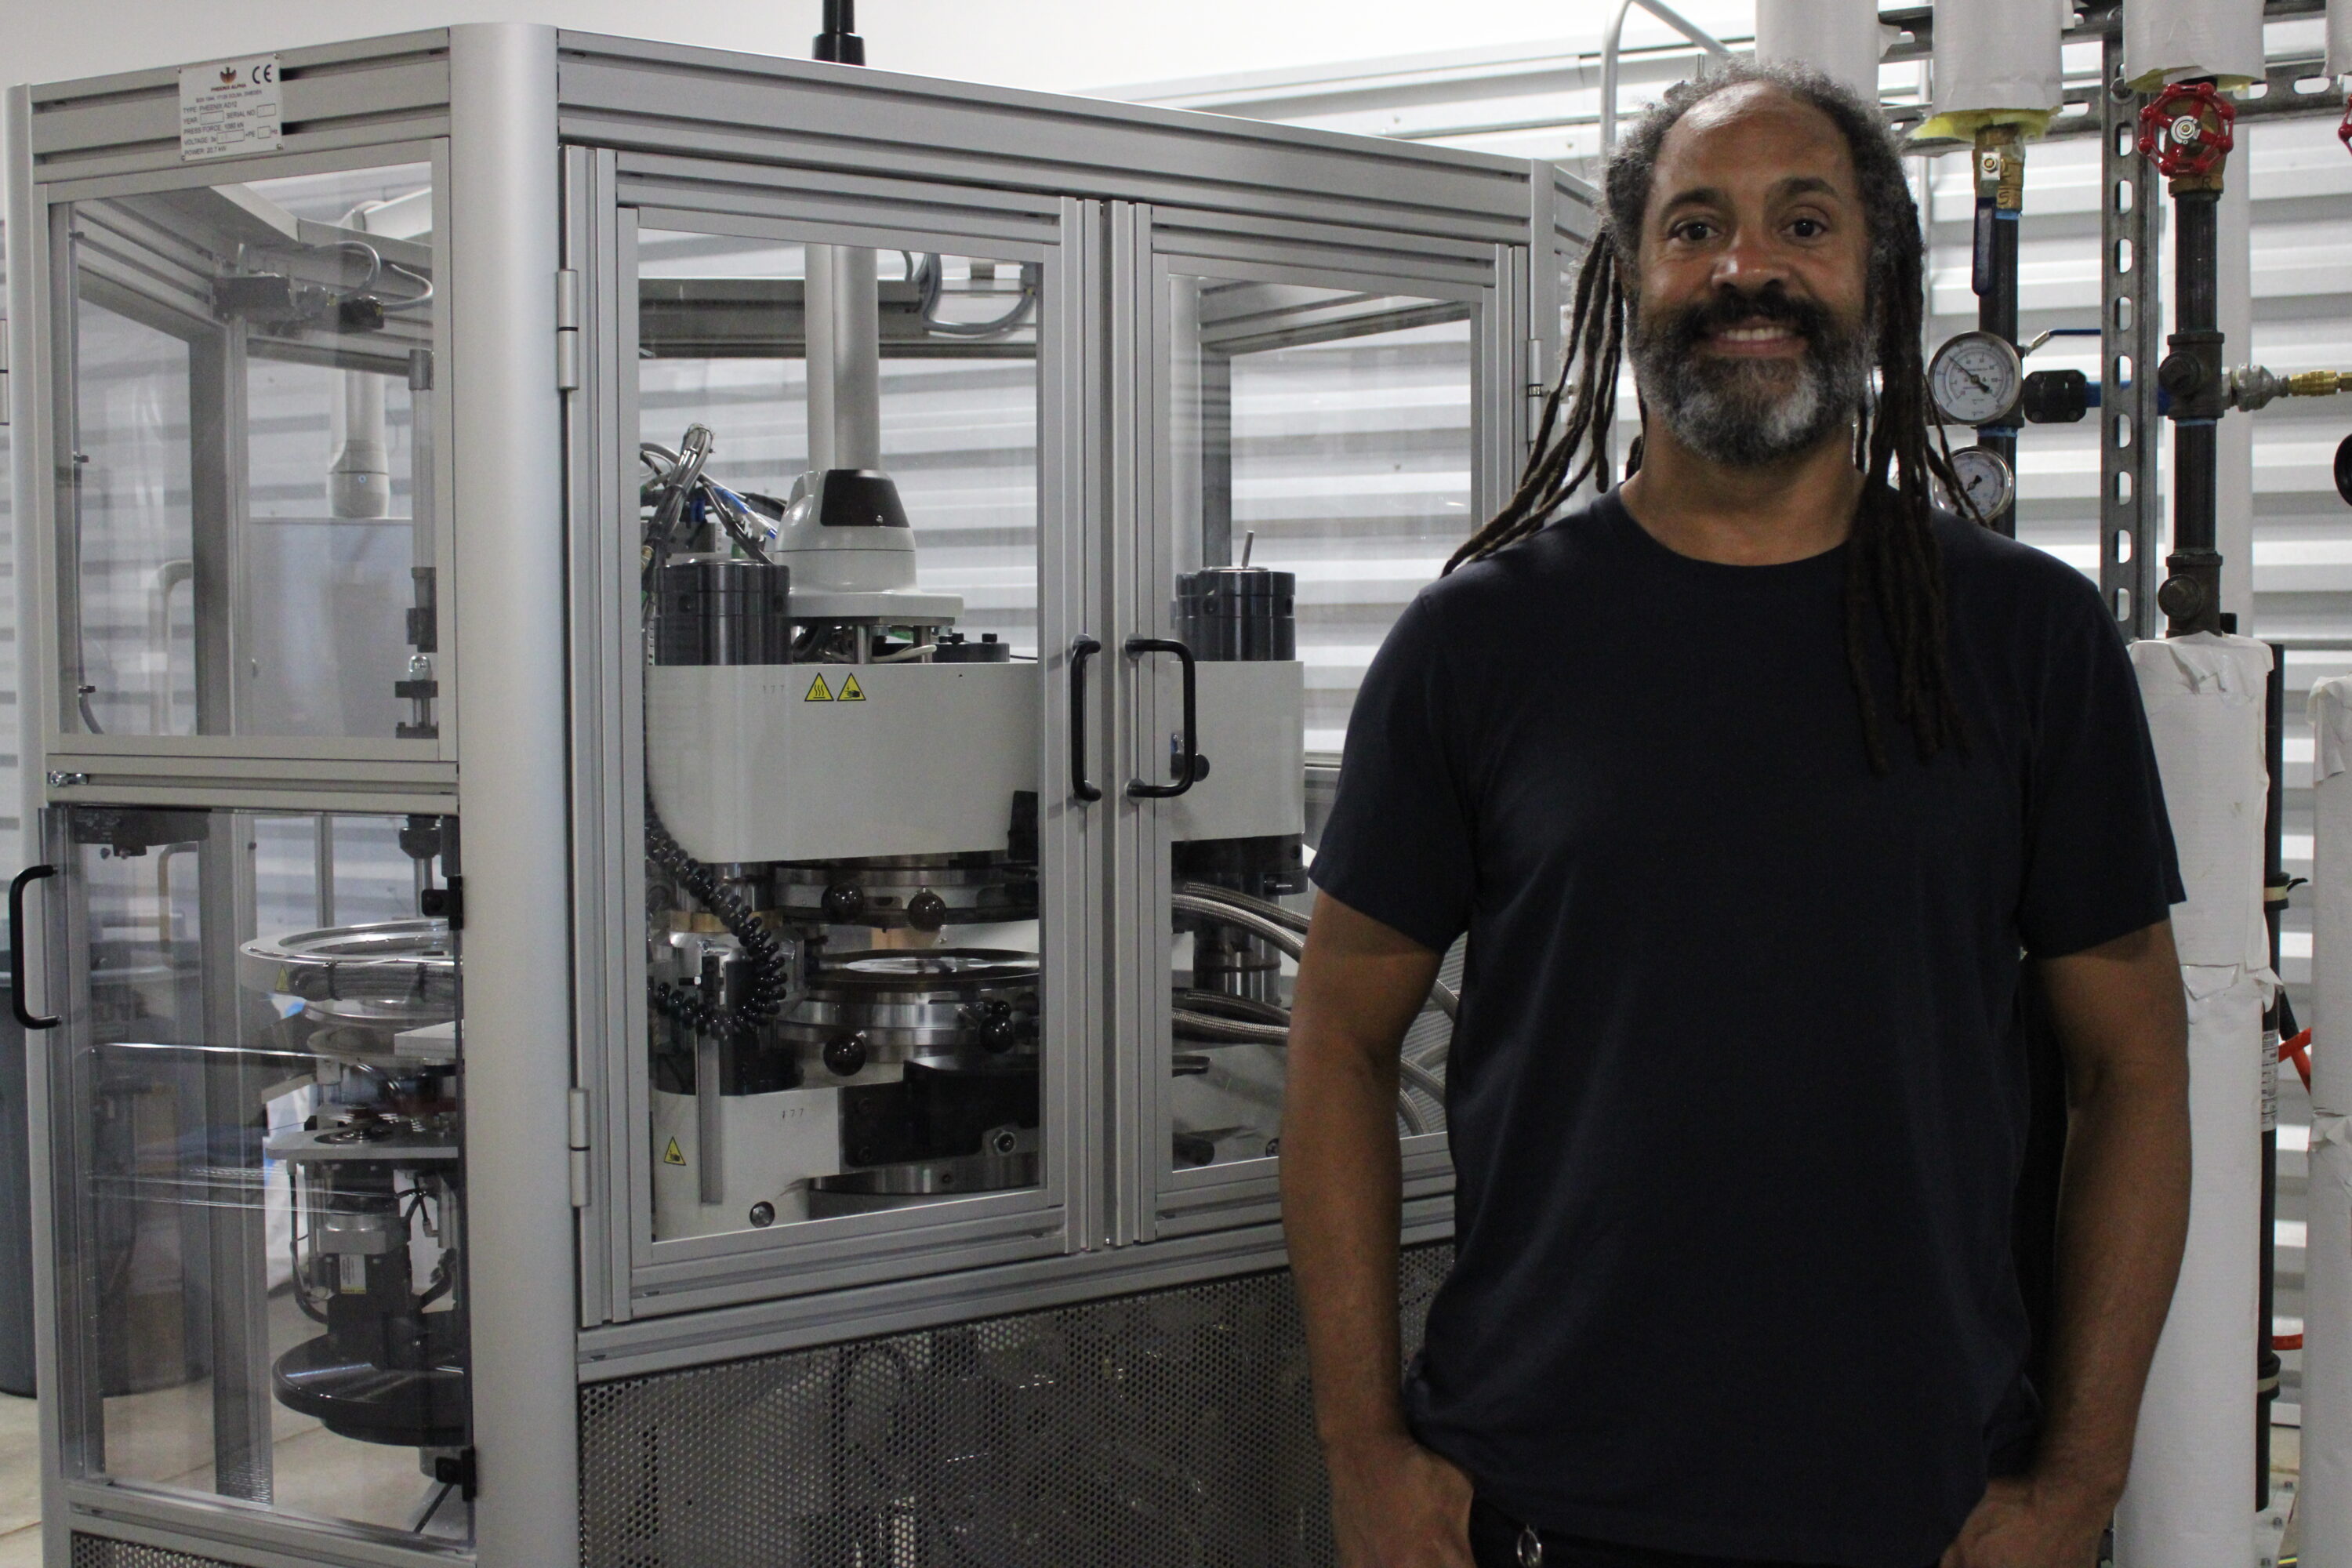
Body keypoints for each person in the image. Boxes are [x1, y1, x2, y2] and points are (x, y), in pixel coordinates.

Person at [1281, 60, 2191, 1568]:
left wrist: (2079, 1484)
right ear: (1631, 279)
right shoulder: (1483, 646)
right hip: (1546, 1508)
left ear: (1878, 282)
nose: (1747, 270)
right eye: (1695, 227)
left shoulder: (2027, 640)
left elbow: (2136, 1066)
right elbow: (1339, 1039)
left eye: (1804, 224)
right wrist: (1364, 1449)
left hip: (1926, 1519)